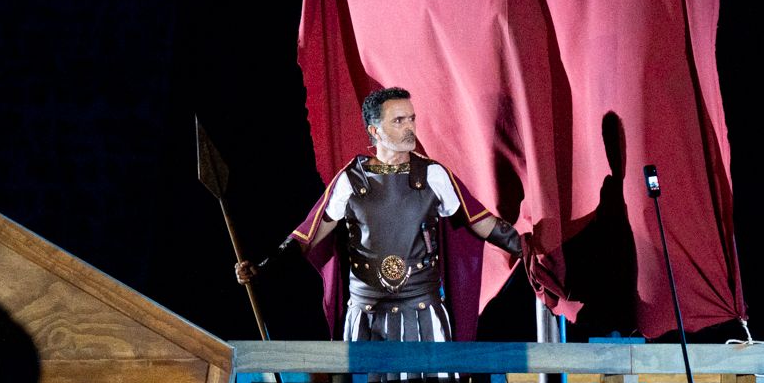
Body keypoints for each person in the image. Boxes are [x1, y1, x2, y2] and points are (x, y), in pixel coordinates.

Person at [236, 87, 556, 341]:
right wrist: (263, 268)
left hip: (424, 317)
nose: (409, 128)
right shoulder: (351, 181)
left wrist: (532, 250)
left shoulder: (433, 176)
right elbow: (308, 236)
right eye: (399, 121)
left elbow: (481, 223)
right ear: (374, 130)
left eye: (411, 119)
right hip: (366, 321)